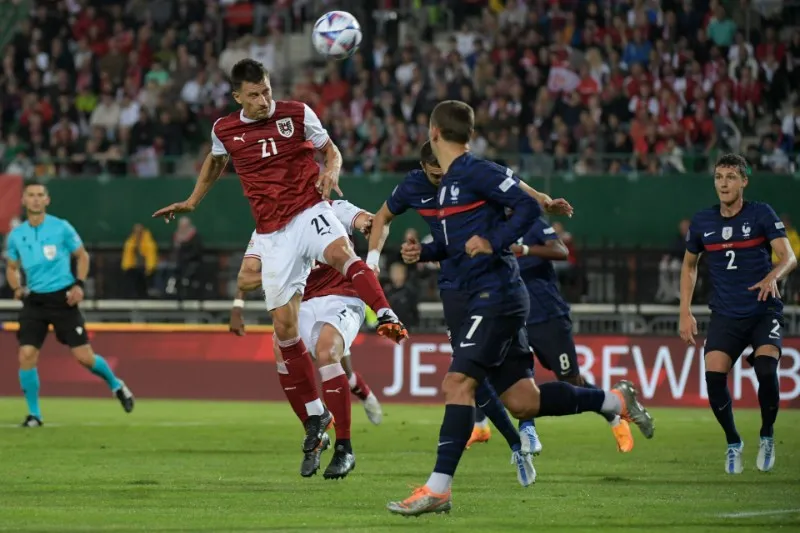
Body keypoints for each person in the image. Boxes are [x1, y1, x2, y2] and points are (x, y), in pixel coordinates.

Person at [386, 101, 654, 516]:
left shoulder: (474, 170)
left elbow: (527, 207)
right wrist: (422, 252)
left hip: (497, 295)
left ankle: (438, 489)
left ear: (433, 131)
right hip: (489, 296)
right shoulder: (453, 181)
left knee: (457, 384)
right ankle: (612, 401)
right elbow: (457, 243)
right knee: (524, 401)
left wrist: (497, 242)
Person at [152, 59, 406, 457]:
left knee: (341, 255)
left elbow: (331, 151)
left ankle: (386, 313)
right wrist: (191, 201)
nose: (263, 100)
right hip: (272, 234)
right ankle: (314, 417)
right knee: (283, 334)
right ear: (238, 97)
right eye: (254, 95)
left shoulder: (298, 113)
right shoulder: (225, 130)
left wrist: (331, 171)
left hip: (308, 211)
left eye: (267, 90)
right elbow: (216, 161)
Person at [230, 200, 383, 479]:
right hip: (303, 304)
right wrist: (280, 268)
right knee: (280, 345)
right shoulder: (266, 230)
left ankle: (344, 447)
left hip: (342, 296)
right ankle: (315, 425)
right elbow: (245, 277)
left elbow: (376, 224)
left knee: (328, 353)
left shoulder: (333, 208)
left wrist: (372, 260)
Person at [679, 153, 797, 474]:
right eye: (719, 177)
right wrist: (684, 311)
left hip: (763, 310)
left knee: (766, 372)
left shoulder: (761, 214)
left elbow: (789, 258)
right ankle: (734, 442)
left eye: (731, 177)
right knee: (714, 378)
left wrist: (774, 275)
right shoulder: (703, 222)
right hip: (726, 315)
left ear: (744, 181)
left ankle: (767, 434)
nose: (724, 184)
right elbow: (690, 265)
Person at [4, 182, 134, 427]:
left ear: (47, 200)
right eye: (30, 195)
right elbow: (11, 268)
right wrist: (17, 288)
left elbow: (82, 256)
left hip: (63, 299)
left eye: (40, 195)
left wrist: (79, 285)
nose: (35, 199)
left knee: (84, 358)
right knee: (26, 354)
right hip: (35, 301)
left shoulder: (61, 227)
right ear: (23, 200)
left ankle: (117, 385)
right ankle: (35, 415)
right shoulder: (16, 235)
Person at [511, 218, 636, 452]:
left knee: (570, 380)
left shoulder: (531, 222)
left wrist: (523, 249)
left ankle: (612, 408)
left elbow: (561, 251)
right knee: (517, 378)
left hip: (548, 317)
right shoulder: (491, 225)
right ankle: (527, 430)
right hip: (515, 316)